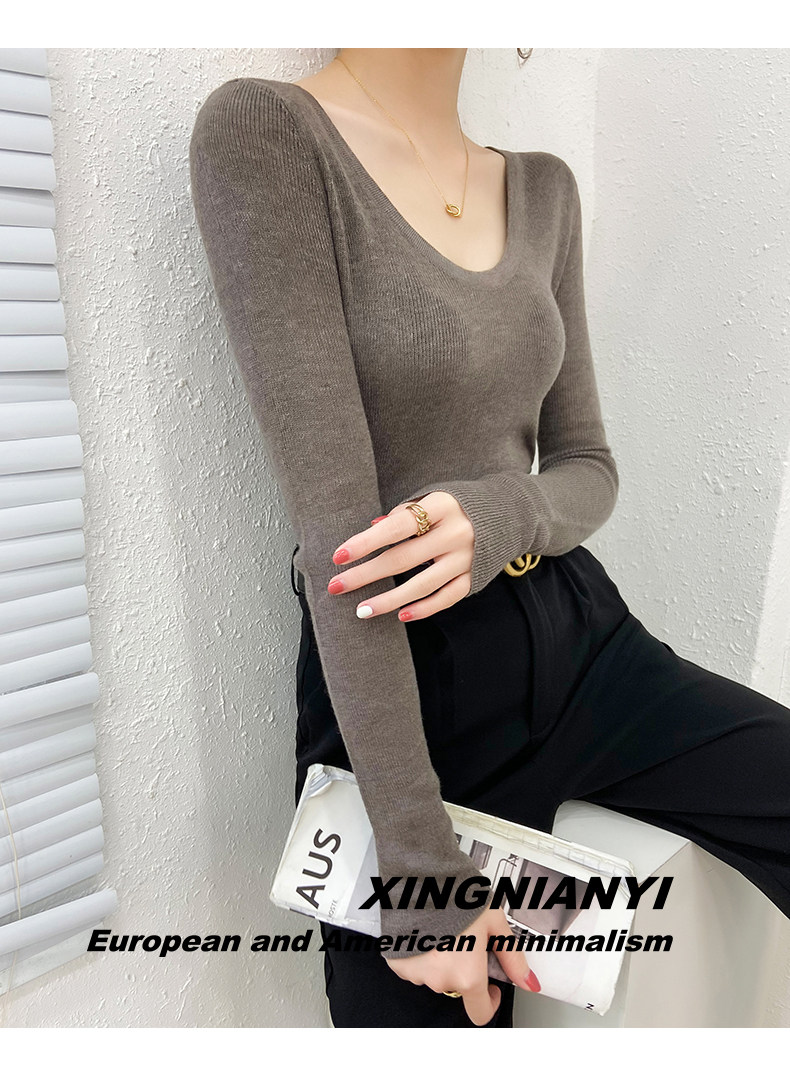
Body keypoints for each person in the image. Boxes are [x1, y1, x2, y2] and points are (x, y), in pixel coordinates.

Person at [188, 47, 790, 1028]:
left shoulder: (543, 189)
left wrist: (501, 511)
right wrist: (418, 863)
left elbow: (587, 465)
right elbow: (339, 542)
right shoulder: (266, 133)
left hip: (581, 636)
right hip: (401, 677)